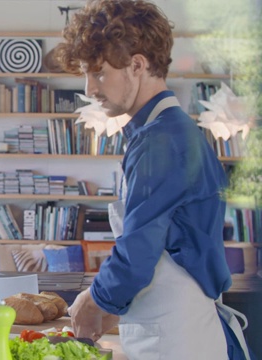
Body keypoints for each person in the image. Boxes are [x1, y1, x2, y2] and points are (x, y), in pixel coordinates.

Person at [54, 1, 254, 359]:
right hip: (172, 328)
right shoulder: (164, 131)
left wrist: (93, 300)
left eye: (98, 72)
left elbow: (138, 252)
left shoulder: (161, 139)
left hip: (176, 339)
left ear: (137, 64)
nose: (89, 88)